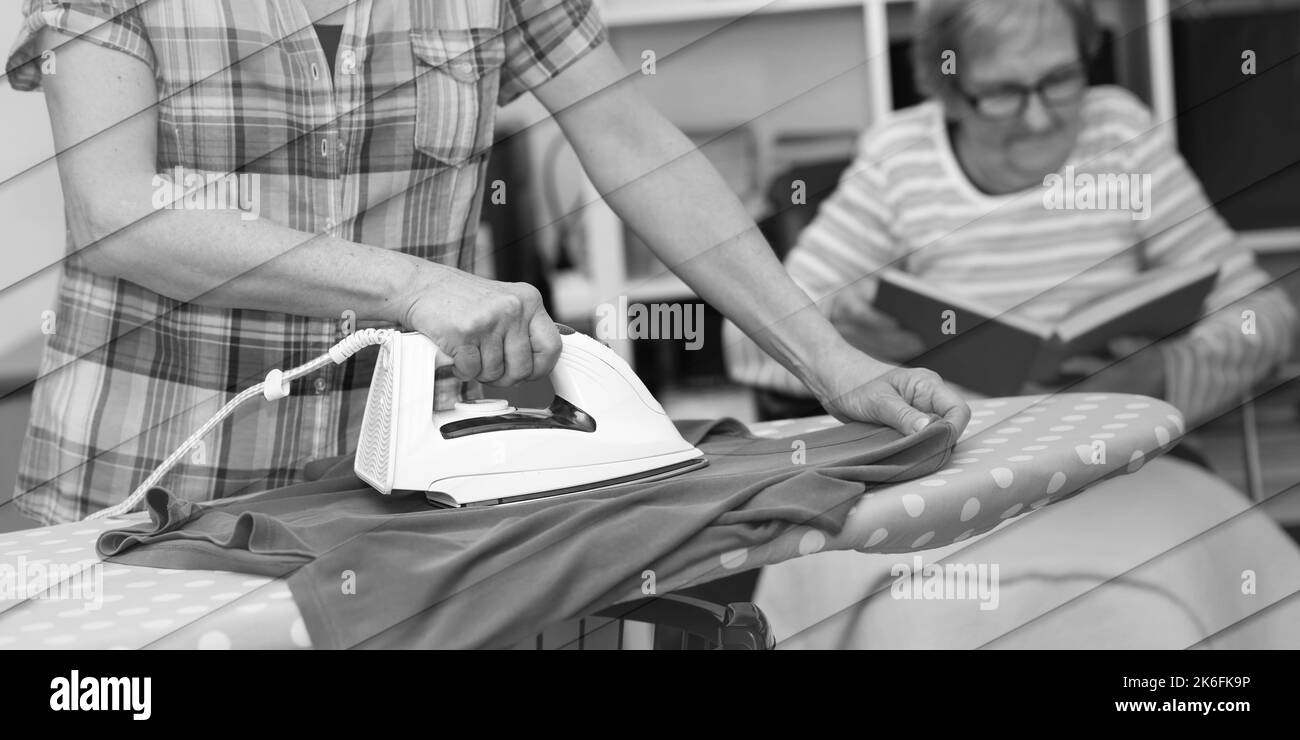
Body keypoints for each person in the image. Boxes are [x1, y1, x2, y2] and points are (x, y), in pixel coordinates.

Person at [5, 0, 969, 524]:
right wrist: (412, 286)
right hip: (136, 486)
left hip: (388, 503)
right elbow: (115, 209)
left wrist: (831, 364)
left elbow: (630, 139)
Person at [726, 0, 1300, 647]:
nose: (1039, 115)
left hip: (1120, 467)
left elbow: (1266, 318)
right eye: (1003, 92)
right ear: (947, 89)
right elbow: (748, 340)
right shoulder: (900, 160)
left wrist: (1164, 374)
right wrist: (848, 353)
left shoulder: (1119, 135)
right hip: (948, 481)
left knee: (1154, 611)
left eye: (1060, 79)